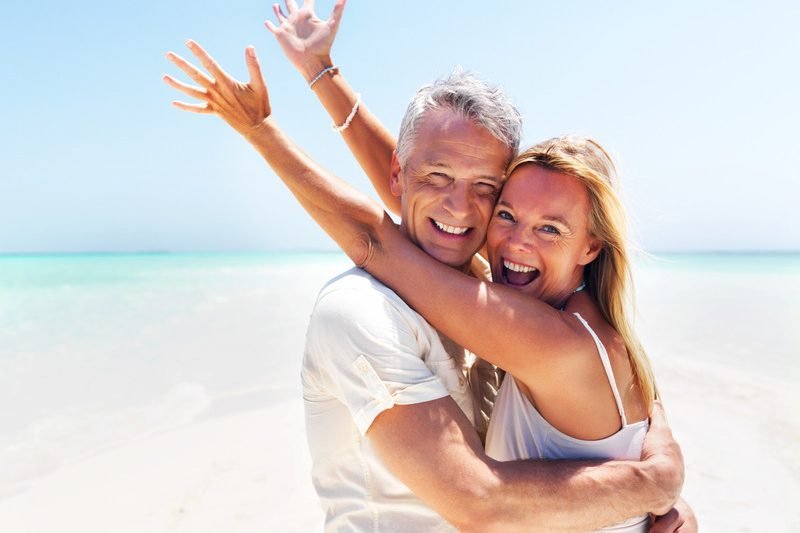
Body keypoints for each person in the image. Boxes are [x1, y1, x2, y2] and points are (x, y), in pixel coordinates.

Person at [163, 36, 688, 533]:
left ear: (591, 247)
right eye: (508, 214)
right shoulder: (400, 304)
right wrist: (322, 75)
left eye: (549, 228)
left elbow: (386, 230)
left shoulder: (534, 325)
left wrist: (653, 489)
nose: (510, 238)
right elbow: (425, 203)